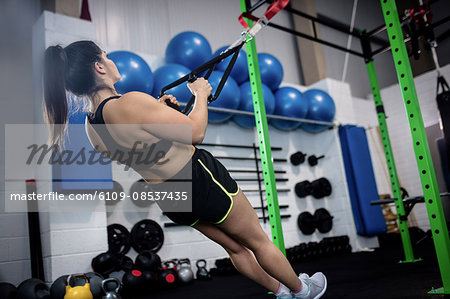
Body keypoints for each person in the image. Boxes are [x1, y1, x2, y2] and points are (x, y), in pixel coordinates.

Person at [43, 40, 327, 299]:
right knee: (259, 242)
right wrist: (200, 94)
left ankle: (281, 292)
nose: (110, 59)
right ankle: (303, 291)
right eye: (106, 55)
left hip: (169, 196)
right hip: (199, 178)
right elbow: (195, 132)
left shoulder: (91, 127)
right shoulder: (130, 101)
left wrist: (158, 109)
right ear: (99, 66)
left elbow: (133, 151)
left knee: (235, 249)